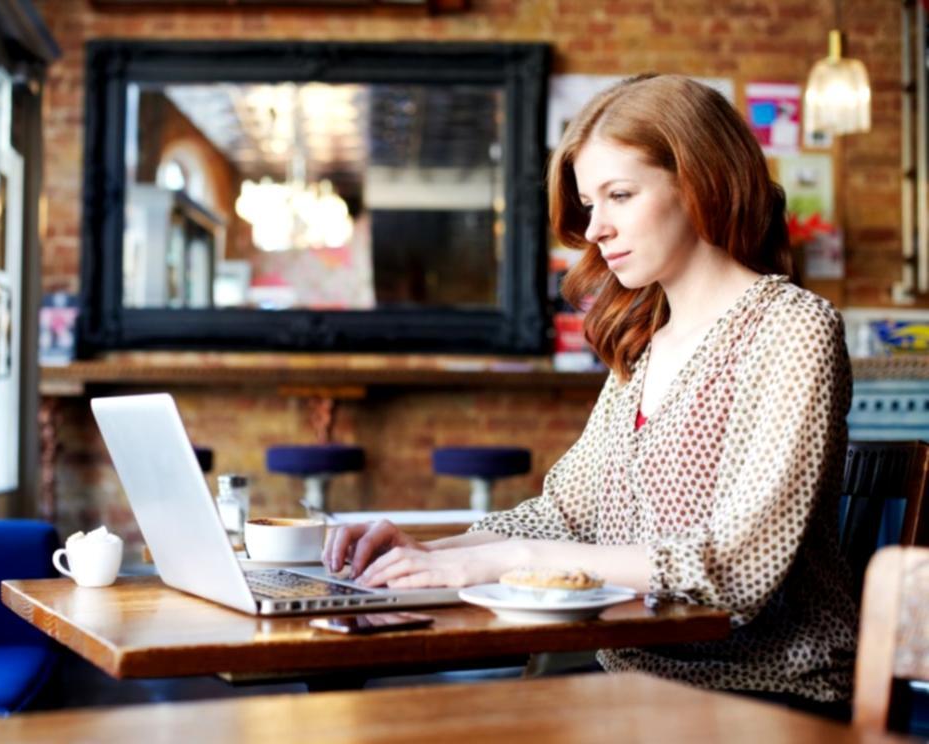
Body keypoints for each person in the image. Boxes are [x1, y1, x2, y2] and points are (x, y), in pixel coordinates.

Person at [323, 74, 857, 719]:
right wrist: (425, 555)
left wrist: (506, 560)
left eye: (620, 195)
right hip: (630, 683)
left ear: (702, 182)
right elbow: (564, 516)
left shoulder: (791, 327)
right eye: (588, 202)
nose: (596, 228)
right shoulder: (646, 343)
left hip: (766, 697)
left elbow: (736, 569)